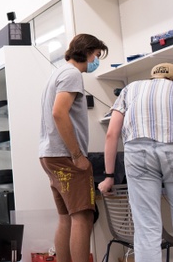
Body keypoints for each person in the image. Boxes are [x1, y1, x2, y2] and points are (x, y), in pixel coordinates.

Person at [98, 62, 173, 262]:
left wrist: (109, 177)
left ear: (152, 78)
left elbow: (112, 134)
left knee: (146, 229)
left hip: (138, 151)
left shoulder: (130, 90)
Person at [38, 33, 108, 262]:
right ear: (88, 52)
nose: (96, 60)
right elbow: (59, 113)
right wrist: (77, 155)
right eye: (97, 55)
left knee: (66, 218)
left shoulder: (56, 73)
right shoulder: (72, 74)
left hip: (50, 155)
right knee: (83, 218)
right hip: (66, 157)